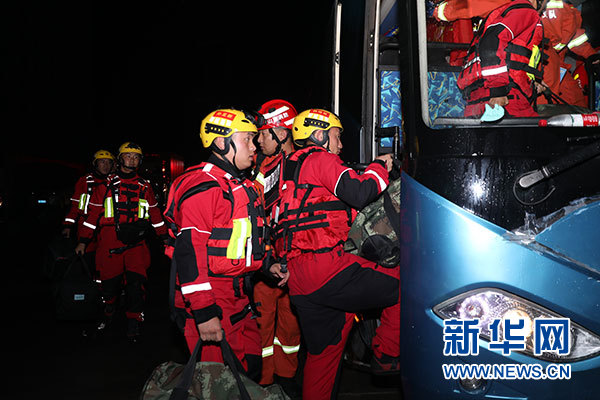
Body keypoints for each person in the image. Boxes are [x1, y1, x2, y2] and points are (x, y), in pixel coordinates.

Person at [270, 109, 400, 400]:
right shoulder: (319, 158)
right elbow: (359, 191)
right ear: (319, 135)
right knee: (409, 284)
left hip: (298, 278)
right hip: (326, 267)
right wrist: (379, 165)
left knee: (323, 356)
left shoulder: (285, 172)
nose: (340, 145)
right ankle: (388, 354)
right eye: (337, 136)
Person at [163, 109, 266, 381]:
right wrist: (204, 311)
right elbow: (189, 251)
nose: (254, 146)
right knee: (221, 384)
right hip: (212, 298)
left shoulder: (236, 184)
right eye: (247, 139)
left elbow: (237, 240)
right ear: (222, 143)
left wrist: (267, 265)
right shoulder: (203, 185)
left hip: (239, 297)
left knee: (250, 370)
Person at [75, 142, 168, 343]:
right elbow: (93, 215)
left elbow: (154, 213)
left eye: (136, 157)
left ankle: (134, 321)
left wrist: (164, 236)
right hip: (109, 242)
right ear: (121, 159)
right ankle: (108, 312)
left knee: (136, 285)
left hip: (137, 244)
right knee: (108, 285)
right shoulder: (106, 184)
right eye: (128, 156)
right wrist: (83, 240)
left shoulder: (145, 186)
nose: (132, 160)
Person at [251, 99, 301, 396]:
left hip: (294, 258)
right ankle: (263, 380)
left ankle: (286, 378)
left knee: (290, 326)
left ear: (282, 134)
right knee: (261, 322)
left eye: (264, 134)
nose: (258, 140)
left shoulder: (301, 164)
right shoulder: (260, 166)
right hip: (265, 260)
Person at [456, 0, 544, 118]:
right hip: (505, 99)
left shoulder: (503, 13)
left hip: (478, 101)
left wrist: (533, 84)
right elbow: (492, 42)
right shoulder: (526, 11)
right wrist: (498, 91)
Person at [538, 0, 600, 107]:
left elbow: (572, 35)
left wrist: (590, 54)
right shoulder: (532, 5)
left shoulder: (563, 6)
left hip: (557, 64)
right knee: (543, 106)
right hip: (539, 62)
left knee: (576, 102)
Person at [63, 149, 114, 273]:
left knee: (107, 261)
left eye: (108, 162)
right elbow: (75, 204)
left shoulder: (114, 182)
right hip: (85, 225)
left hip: (107, 228)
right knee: (87, 260)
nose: (106, 165)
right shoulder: (84, 181)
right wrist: (68, 225)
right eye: (102, 162)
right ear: (95, 164)